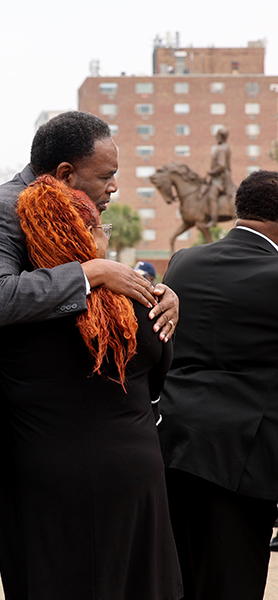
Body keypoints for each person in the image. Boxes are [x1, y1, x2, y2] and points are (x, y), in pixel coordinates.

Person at [0, 110, 180, 600]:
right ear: (67, 174)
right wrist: (91, 274)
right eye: (106, 176)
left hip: (35, 447)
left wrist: (158, 294)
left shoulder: (72, 219)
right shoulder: (1, 210)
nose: (115, 188)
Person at [0, 175, 180, 599]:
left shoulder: (13, 313)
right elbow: (159, 372)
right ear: (85, 235)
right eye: (102, 228)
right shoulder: (140, 303)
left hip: (40, 473)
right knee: (135, 581)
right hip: (129, 469)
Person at [159, 169, 278, 600]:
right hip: (242, 461)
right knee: (232, 584)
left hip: (172, 446)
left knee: (179, 582)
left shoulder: (183, 262)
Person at [204, 125, 232, 227]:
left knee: (212, 196)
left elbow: (221, 165)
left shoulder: (221, 149)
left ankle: (213, 220)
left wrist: (211, 172)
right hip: (219, 177)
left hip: (220, 179)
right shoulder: (225, 147)